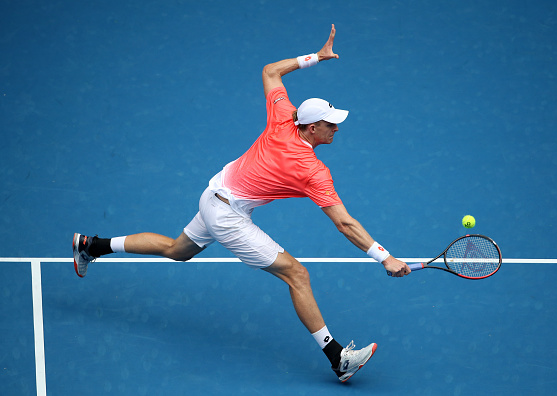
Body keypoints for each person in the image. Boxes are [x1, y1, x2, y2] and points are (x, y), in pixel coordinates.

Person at [73, 24, 411, 382]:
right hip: (227, 215)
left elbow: (270, 70)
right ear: (312, 128)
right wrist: (384, 256)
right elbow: (344, 223)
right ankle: (337, 357)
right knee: (297, 274)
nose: (336, 129)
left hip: (212, 193)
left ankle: (91, 245)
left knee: (177, 250)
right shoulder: (313, 170)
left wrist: (316, 57)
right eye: (331, 125)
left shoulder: (284, 117)